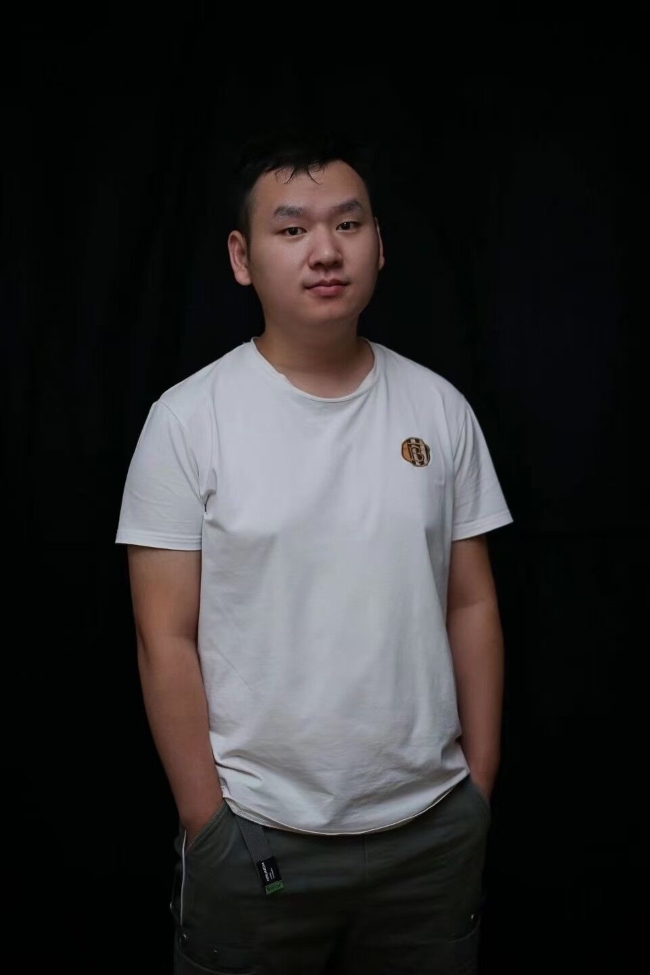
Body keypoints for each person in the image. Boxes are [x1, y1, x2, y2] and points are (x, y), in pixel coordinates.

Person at [116, 129, 513, 975]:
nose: (325, 251)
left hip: (432, 831)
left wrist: (476, 787)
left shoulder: (439, 409)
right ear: (242, 257)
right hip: (256, 833)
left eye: (347, 224)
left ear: (379, 244)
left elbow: (471, 601)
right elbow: (164, 638)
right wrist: (207, 822)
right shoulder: (187, 421)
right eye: (292, 229)